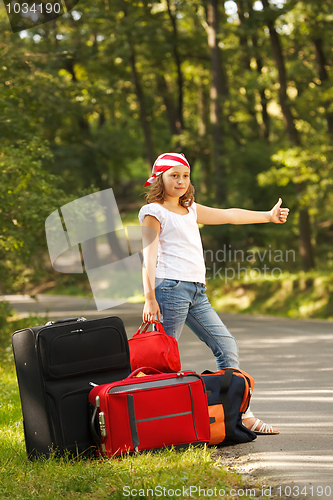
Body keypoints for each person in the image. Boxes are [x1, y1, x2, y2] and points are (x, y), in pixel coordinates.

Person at [138, 152, 289, 435]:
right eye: (174, 176)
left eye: (185, 175)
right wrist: (149, 297)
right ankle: (155, 421)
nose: (181, 181)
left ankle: (239, 413)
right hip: (170, 289)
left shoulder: (190, 209)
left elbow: (229, 214)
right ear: (160, 178)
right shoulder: (153, 212)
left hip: (196, 291)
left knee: (227, 345)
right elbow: (149, 255)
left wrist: (267, 217)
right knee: (164, 359)